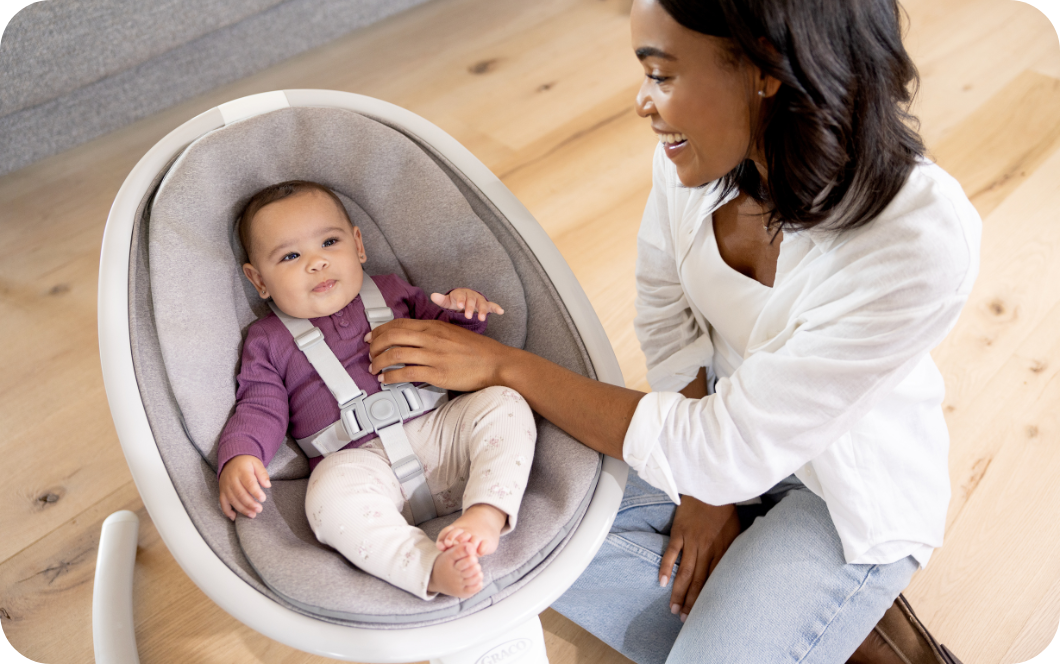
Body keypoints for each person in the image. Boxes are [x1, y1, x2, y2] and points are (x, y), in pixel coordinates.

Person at [361, 0, 980, 661]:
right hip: (719, 427)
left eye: (660, 74)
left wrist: (506, 367)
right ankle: (806, 627)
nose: (641, 103)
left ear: (766, 68)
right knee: (482, 521)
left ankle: (858, 634)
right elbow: (665, 309)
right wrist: (702, 493)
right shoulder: (697, 159)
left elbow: (728, 447)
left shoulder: (920, 237)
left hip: (839, 494)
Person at [216, 180, 537, 600]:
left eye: (329, 242)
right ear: (259, 281)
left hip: (442, 433)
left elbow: (451, 343)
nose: (317, 263)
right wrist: (241, 454)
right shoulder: (267, 340)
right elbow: (259, 405)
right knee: (327, 499)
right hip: (360, 465)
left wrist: (462, 311)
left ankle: (485, 514)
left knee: (504, 402)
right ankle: (428, 566)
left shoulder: (392, 292)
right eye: (291, 256)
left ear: (358, 246)